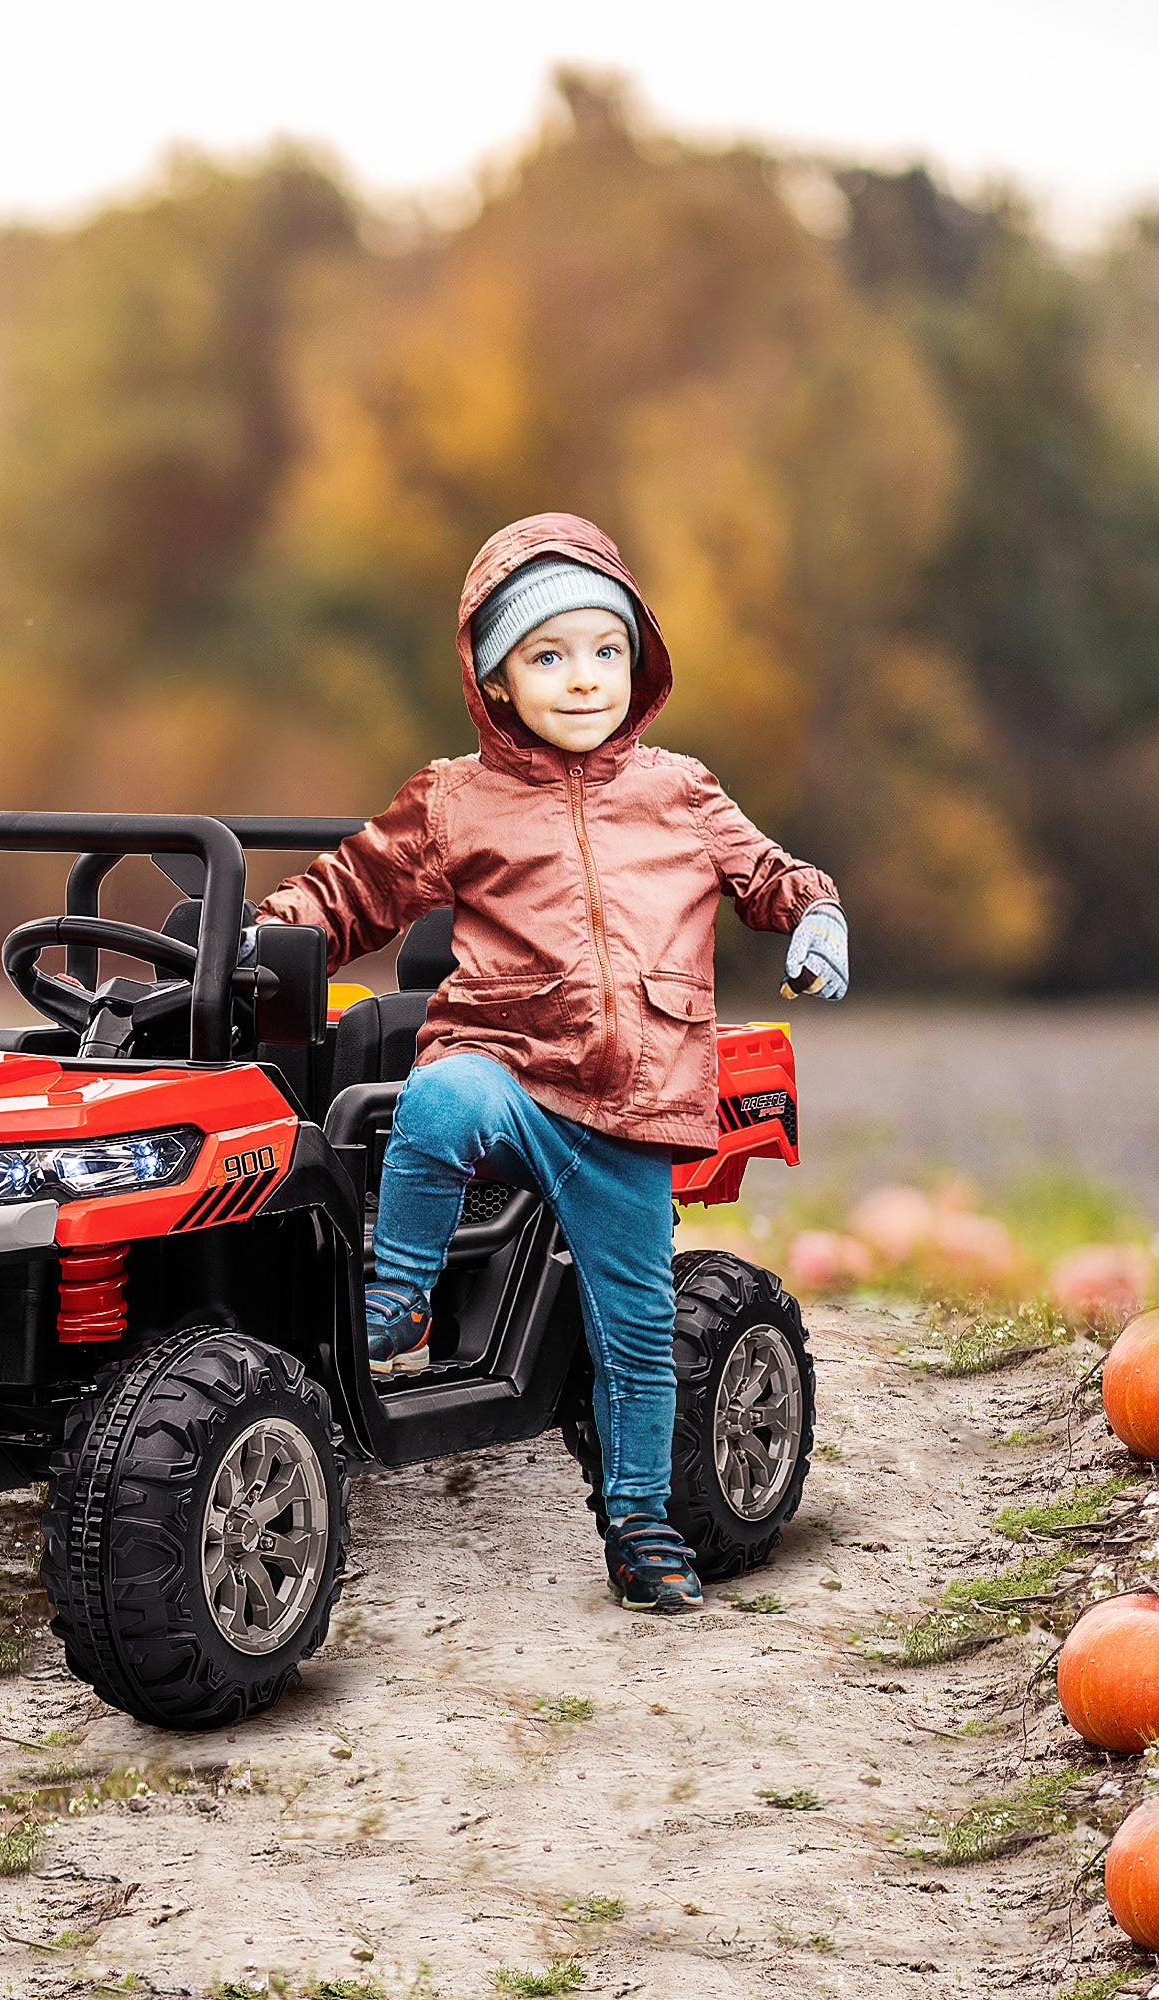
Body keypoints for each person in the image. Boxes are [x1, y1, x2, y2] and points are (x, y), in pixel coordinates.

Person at [252, 513, 847, 1614]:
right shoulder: (454, 798)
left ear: (638, 660)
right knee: (439, 1095)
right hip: (509, 1066)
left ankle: (641, 1522)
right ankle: (401, 1300)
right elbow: (351, 890)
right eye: (547, 656)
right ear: (495, 680)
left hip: (630, 1108)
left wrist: (813, 913)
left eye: (605, 650)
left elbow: (765, 873)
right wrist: (266, 936)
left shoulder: (681, 791)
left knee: (636, 1336)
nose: (583, 679)